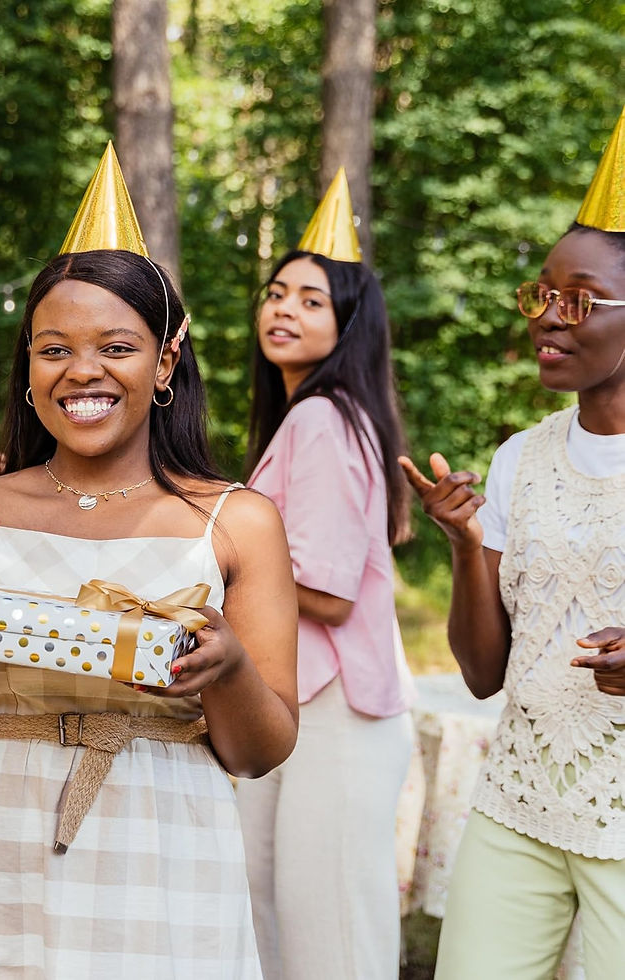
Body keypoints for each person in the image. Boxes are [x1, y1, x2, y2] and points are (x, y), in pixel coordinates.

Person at [0, 142, 299, 977]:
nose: (83, 371)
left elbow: (259, 752)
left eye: (117, 347)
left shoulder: (239, 522)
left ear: (165, 361)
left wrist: (231, 666)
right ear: (27, 367)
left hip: (161, 844)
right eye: (54, 348)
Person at [399, 108, 625, 980]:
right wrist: (464, 543)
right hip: (520, 805)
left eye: (580, 300)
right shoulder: (519, 460)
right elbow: (485, 673)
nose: (549, 318)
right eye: (542, 294)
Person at [234, 169, 416, 980]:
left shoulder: (324, 419)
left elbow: (331, 594)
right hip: (298, 701)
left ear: (347, 323)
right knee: (272, 924)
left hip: (338, 711)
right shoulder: (309, 418)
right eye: (277, 293)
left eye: (311, 300)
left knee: (332, 936)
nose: (283, 309)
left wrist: (215, 565)